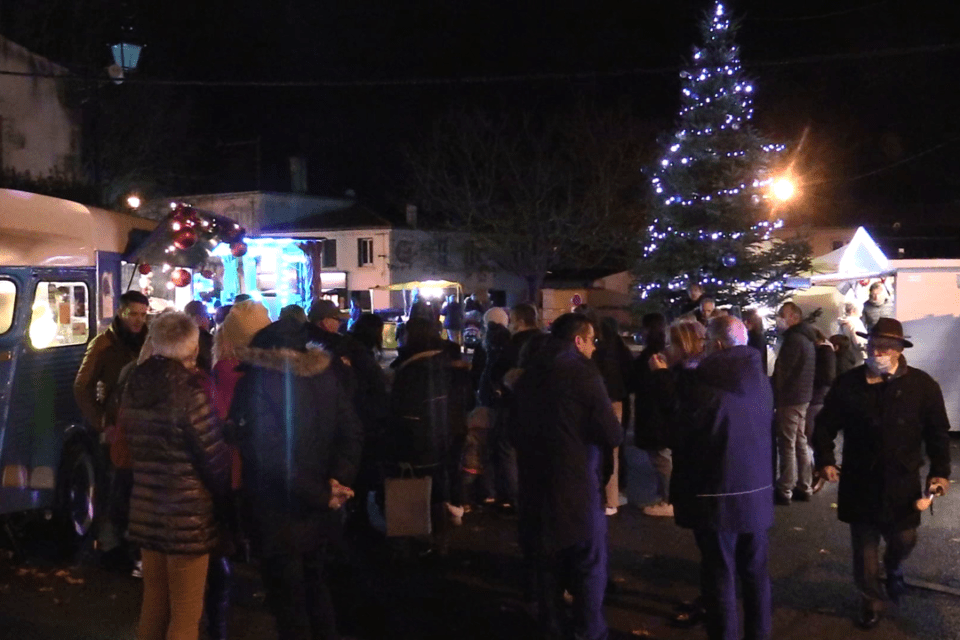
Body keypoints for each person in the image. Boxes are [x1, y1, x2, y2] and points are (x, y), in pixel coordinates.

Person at [230, 315, 363, 640]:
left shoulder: (259, 381)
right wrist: (336, 482)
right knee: (318, 590)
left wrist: (323, 492)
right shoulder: (326, 377)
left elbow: (270, 455)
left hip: (279, 513)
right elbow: (352, 433)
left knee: (289, 604)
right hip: (320, 513)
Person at [814, 318, 951, 630]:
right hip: (860, 480)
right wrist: (825, 459)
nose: (878, 352)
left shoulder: (922, 385)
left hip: (902, 482)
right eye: (874, 345)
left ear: (900, 349)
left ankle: (893, 567)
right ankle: (871, 599)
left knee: (904, 538)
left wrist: (940, 472)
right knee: (864, 548)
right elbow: (824, 425)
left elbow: (938, 433)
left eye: (886, 347)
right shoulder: (848, 383)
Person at [650, 315, 774, 640]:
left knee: (720, 573)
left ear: (717, 345)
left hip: (715, 491)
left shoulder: (701, 381)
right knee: (755, 573)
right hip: (756, 489)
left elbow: (677, 432)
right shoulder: (760, 378)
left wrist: (663, 381)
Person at [511, 313, 623, 640]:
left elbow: (513, 431)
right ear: (578, 340)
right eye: (591, 341)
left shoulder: (528, 375)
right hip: (576, 487)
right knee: (588, 568)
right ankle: (590, 632)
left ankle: (552, 629)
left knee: (547, 571)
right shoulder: (583, 376)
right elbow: (612, 434)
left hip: (535, 486)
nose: (593, 348)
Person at [120, 311, 231, 640]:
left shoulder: (134, 384)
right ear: (193, 348)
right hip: (188, 518)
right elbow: (213, 460)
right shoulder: (192, 393)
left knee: (154, 604)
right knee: (185, 614)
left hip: (146, 510)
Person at [73, 290, 149, 569]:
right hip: (117, 426)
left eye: (143, 314)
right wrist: (102, 422)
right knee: (113, 487)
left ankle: (133, 544)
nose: (139, 320)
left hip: (142, 427)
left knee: (136, 488)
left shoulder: (149, 341)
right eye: (134, 314)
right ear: (121, 312)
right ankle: (110, 546)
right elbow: (83, 386)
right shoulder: (103, 344)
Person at [388, 316, 471, 541]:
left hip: (422, 435)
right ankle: (444, 530)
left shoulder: (413, 367)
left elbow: (404, 408)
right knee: (443, 477)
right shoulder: (450, 361)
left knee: (422, 484)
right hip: (452, 429)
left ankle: (422, 538)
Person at [643, 320, 706, 518]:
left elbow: (674, 404)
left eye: (671, 343)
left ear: (683, 344)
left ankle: (672, 500)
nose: (667, 348)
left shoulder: (693, 372)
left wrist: (661, 374)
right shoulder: (684, 368)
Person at [772, 302, 816, 505]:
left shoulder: (794, 340)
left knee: (787, 443)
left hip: (790, 398)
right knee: (799, 441)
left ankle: (785, 488)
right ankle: (804, 485)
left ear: (793, 317)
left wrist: (773, 394)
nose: (779, 318)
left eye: (782, 315)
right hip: (803, 396)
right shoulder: (806, 338)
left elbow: (783, 372)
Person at [184, 300, 214, 372]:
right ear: (197, 317)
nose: (208, 321)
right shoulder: (207, 339)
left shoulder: (180, 337)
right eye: (207, 316)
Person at [742, 308, 768, 375]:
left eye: (748, 321)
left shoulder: (756, 338)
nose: (745, 323)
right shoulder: (754, 336)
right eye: (744, 320)